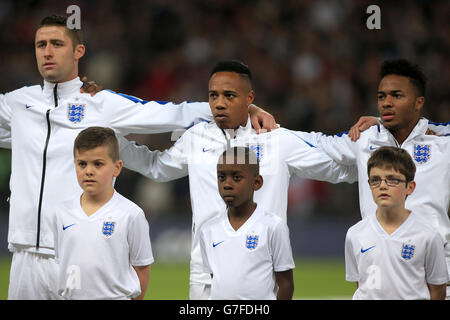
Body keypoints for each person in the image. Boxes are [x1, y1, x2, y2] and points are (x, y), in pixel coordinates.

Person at [0, 14, 275, 300]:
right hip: (23, 256)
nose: (47, 51)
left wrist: (239, 108)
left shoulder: (100, 104)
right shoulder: (18, 103)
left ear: (78, 51)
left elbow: (171, 112)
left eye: (57, 43)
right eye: (40, 44)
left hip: (79, 250)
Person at [120, 60, 356, 299]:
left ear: (249, 98)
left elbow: (337, 169)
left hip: (261, 275)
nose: (219, 103)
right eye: (213, 95)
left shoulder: (276, 140)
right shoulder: (196, 138)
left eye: (229, 95)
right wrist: (111, 141)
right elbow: (156, 167)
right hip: (205, 277)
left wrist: (375, 141)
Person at [301, 59, 450, 297]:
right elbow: (319, 144)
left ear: (418, 102)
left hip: (435, 277)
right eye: (381, 97)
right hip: (379, 282)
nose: (386, 103)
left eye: (397, 95)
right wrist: (265, 124)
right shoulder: (365, 138)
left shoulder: (442, 143)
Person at [52, 127, 153, 300]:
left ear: (117, 168)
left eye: (98, 164)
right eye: (82, 163)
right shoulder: (61, 213)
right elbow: (62, 263)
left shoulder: (131, 214)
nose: (89, 171)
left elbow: (141, 269)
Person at [345, 146, 448, 299]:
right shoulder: (355, 234)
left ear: (410, 187)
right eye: (375, 180)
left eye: (392, 179)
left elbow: (437, 290)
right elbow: (361, 284)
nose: (383, 185)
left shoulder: (428, 236)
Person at [199, 147, 294, 300]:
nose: (227, 184)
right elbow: (216, 279)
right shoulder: (208, 230)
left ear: (256, 182)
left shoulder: (273, 226)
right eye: (221, 177)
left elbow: (286, 284)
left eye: (236, 178)